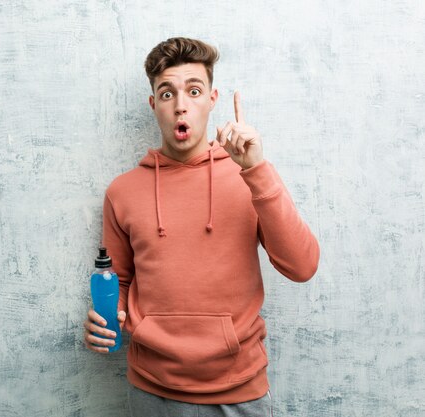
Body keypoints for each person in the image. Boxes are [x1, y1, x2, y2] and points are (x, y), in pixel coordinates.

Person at [83, 37, 320, 416]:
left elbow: (302, 267)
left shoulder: (251, 177)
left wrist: (257, 170)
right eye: (167, 94)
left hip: (239, 390)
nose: (181, 105)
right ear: (154, 105)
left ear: (212, 99)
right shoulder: (122, 191)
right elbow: (120, 281)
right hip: (151, 391)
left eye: (194, 91)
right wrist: (106, 320)